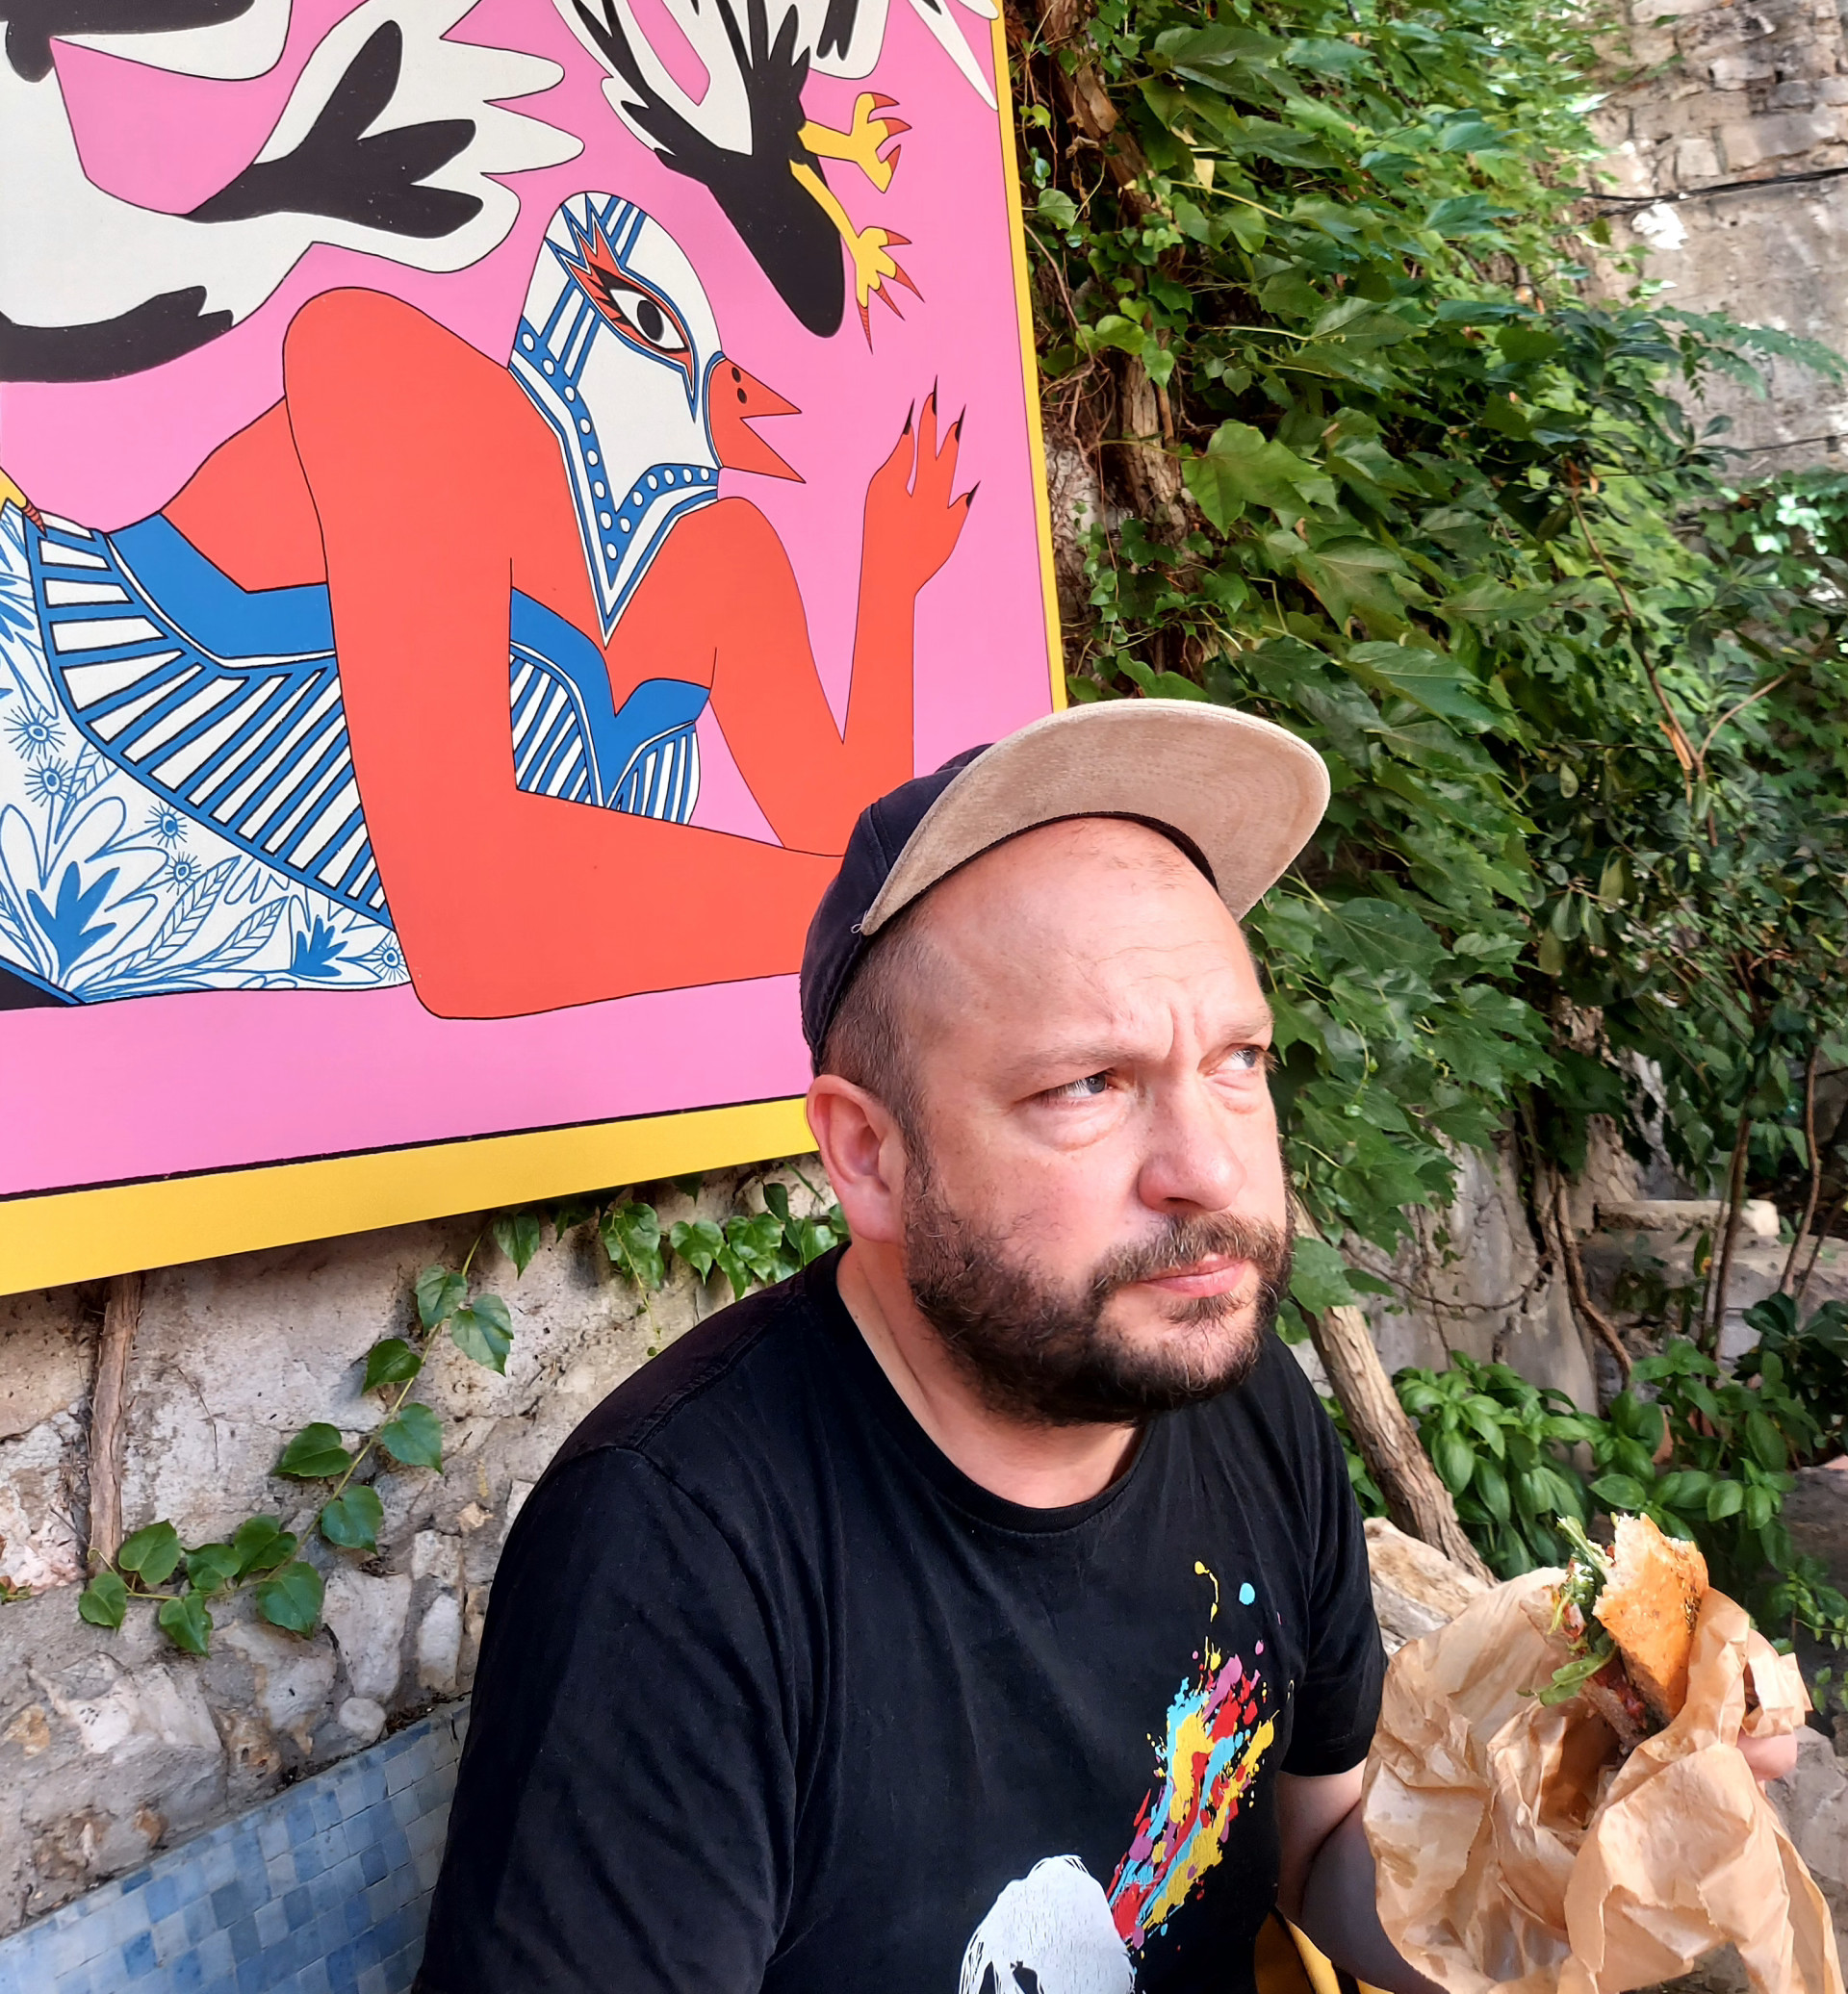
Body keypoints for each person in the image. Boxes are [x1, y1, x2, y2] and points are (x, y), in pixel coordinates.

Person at [413, 700, 1796, 1994]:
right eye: (1088, 1084)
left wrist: (1584, 1844)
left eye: (1238, 1062)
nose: (1211, 1170)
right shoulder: (677, 1555)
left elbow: (1322, 1851)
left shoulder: (1234, 1396)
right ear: (869, 1155)